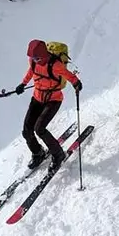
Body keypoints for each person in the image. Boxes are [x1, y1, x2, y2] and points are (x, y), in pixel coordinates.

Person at [15, 39, 83, 170]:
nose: (34, 60)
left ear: (43, 55)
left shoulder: (55, 65)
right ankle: (38, 153)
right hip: (37, 98)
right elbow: (31, 71)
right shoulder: (33, 62)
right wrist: (23, 84)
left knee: (39, 129)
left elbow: (68, 75)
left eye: (37, 58)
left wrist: (76, 83)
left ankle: (58, 155)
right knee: (27, 130)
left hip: (53, 100)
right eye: (32, 58)